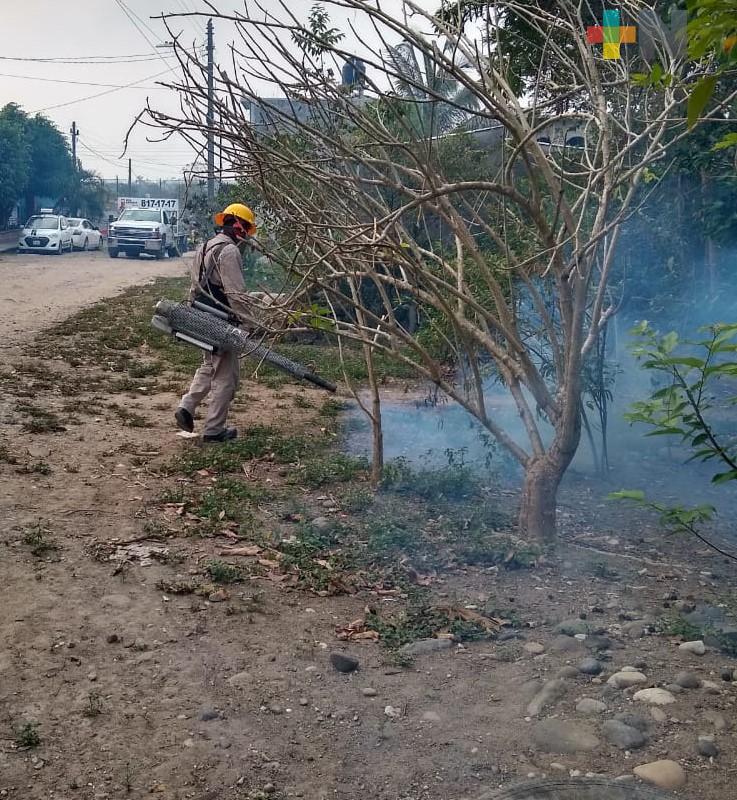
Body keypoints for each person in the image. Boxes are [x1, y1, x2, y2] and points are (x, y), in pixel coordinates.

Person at [175, 203, 257, 442]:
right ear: (239, 225)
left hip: (201, 314)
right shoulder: (229, 251)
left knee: (210, 365)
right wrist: (247, 324)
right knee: (226, 376)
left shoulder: (205, 246)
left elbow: (195, 286)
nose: (246, 237)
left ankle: (187, 406)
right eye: (247, 229)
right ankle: (214, 430)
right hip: (222, 320)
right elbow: (236, 293)